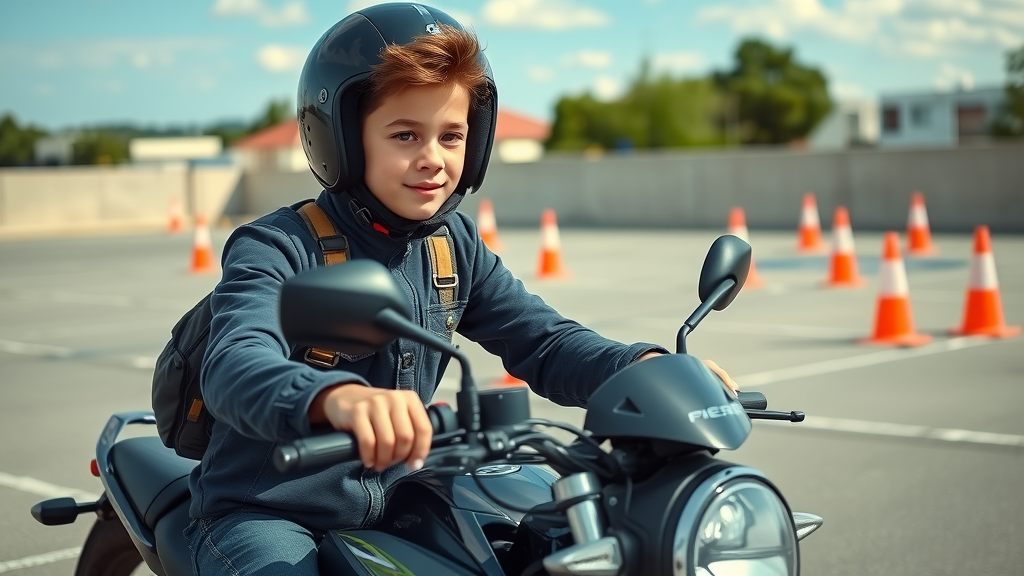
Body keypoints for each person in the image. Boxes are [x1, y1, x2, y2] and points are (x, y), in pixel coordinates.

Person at [185, 4, 738, 574]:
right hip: (268, 513)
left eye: (451, 136)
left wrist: (641, 366)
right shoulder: (277, 245)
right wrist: (334, 398)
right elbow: (235, 363)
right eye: (405, 134)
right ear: (341, 140)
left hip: (398, 500)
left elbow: (542, 339)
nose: (433, 160)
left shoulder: (450, 244)